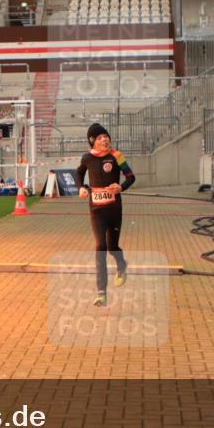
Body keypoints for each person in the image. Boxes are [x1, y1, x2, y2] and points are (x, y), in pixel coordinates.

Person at [75, 123, 135, 307]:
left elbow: (131, 177)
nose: (105, 140)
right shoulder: (87, 158)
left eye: (106, 136)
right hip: (96, 210)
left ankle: (121, 264)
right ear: (93, 141)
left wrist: (121, 187)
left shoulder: (117, 156)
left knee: (112, 247)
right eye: (100, 137)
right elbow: (78, 174)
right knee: (100, 246)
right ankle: (101, 293)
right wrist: (81, 188)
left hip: (114, 209)